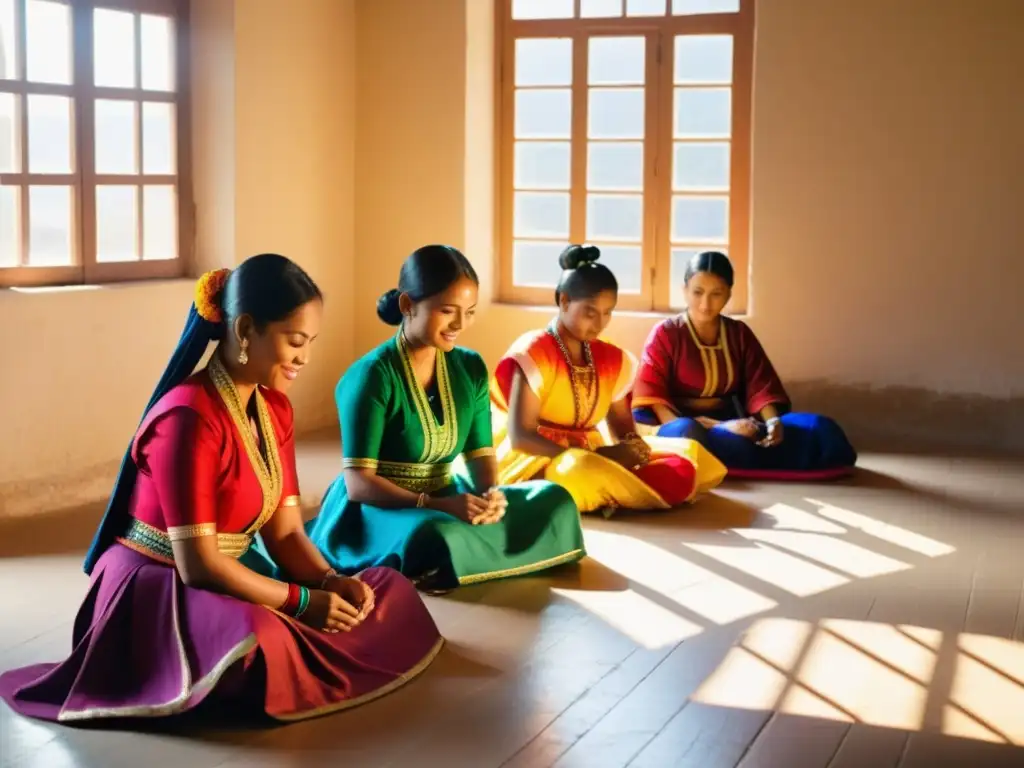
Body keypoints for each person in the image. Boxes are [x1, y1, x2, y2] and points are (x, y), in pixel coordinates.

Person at [0, 255, 442, 725]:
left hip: (231, 572)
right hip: (160, 585)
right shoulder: (187, 417)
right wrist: (303, 602)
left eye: (311, 343)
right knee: (255, 634)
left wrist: (331, 582)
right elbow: (199, 565)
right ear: (246, 329)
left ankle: (298, 642)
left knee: (385, 590)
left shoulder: (275, 411)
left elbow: (287, 535)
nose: (304, 358)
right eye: (295, 342)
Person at [304, 245, 585, 592]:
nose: (460, 324)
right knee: (434, 531)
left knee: (555, 500)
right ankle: (449, 553)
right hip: (379, 511)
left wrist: (490, 496)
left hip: (448, 495)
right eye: (447, 311)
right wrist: (437, 505)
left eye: (469, 312)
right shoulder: (371, 376)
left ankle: (457, 555)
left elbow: (481, 454)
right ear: (408, 305)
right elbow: (359, 484)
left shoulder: (469, 367)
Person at [490, 245, 726, 515]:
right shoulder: (534, 350)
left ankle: (613, 492)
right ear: (564, 301)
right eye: (591, 312)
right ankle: (615, 492)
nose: (601, 323)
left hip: (593, 452)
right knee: (578, 471)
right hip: (537, 459)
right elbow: (521, 437)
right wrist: (604, 457)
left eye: (608, 312)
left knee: (690, 454)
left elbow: (623, 429)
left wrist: (632, 448)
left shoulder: (610, 358)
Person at [632, 251, 857, 480]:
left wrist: (772, 421)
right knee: (689, 436)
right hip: (684, 424)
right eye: (697, 292)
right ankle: (734, 451)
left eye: (716, 294)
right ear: (685, 290)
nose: (705, 304)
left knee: (820, 428)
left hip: (738, 423)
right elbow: (654, 397)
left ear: (729, 294)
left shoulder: (738, 333)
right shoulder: (665, 333)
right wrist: (718, 428)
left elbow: (760, 383)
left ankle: (740, 450)